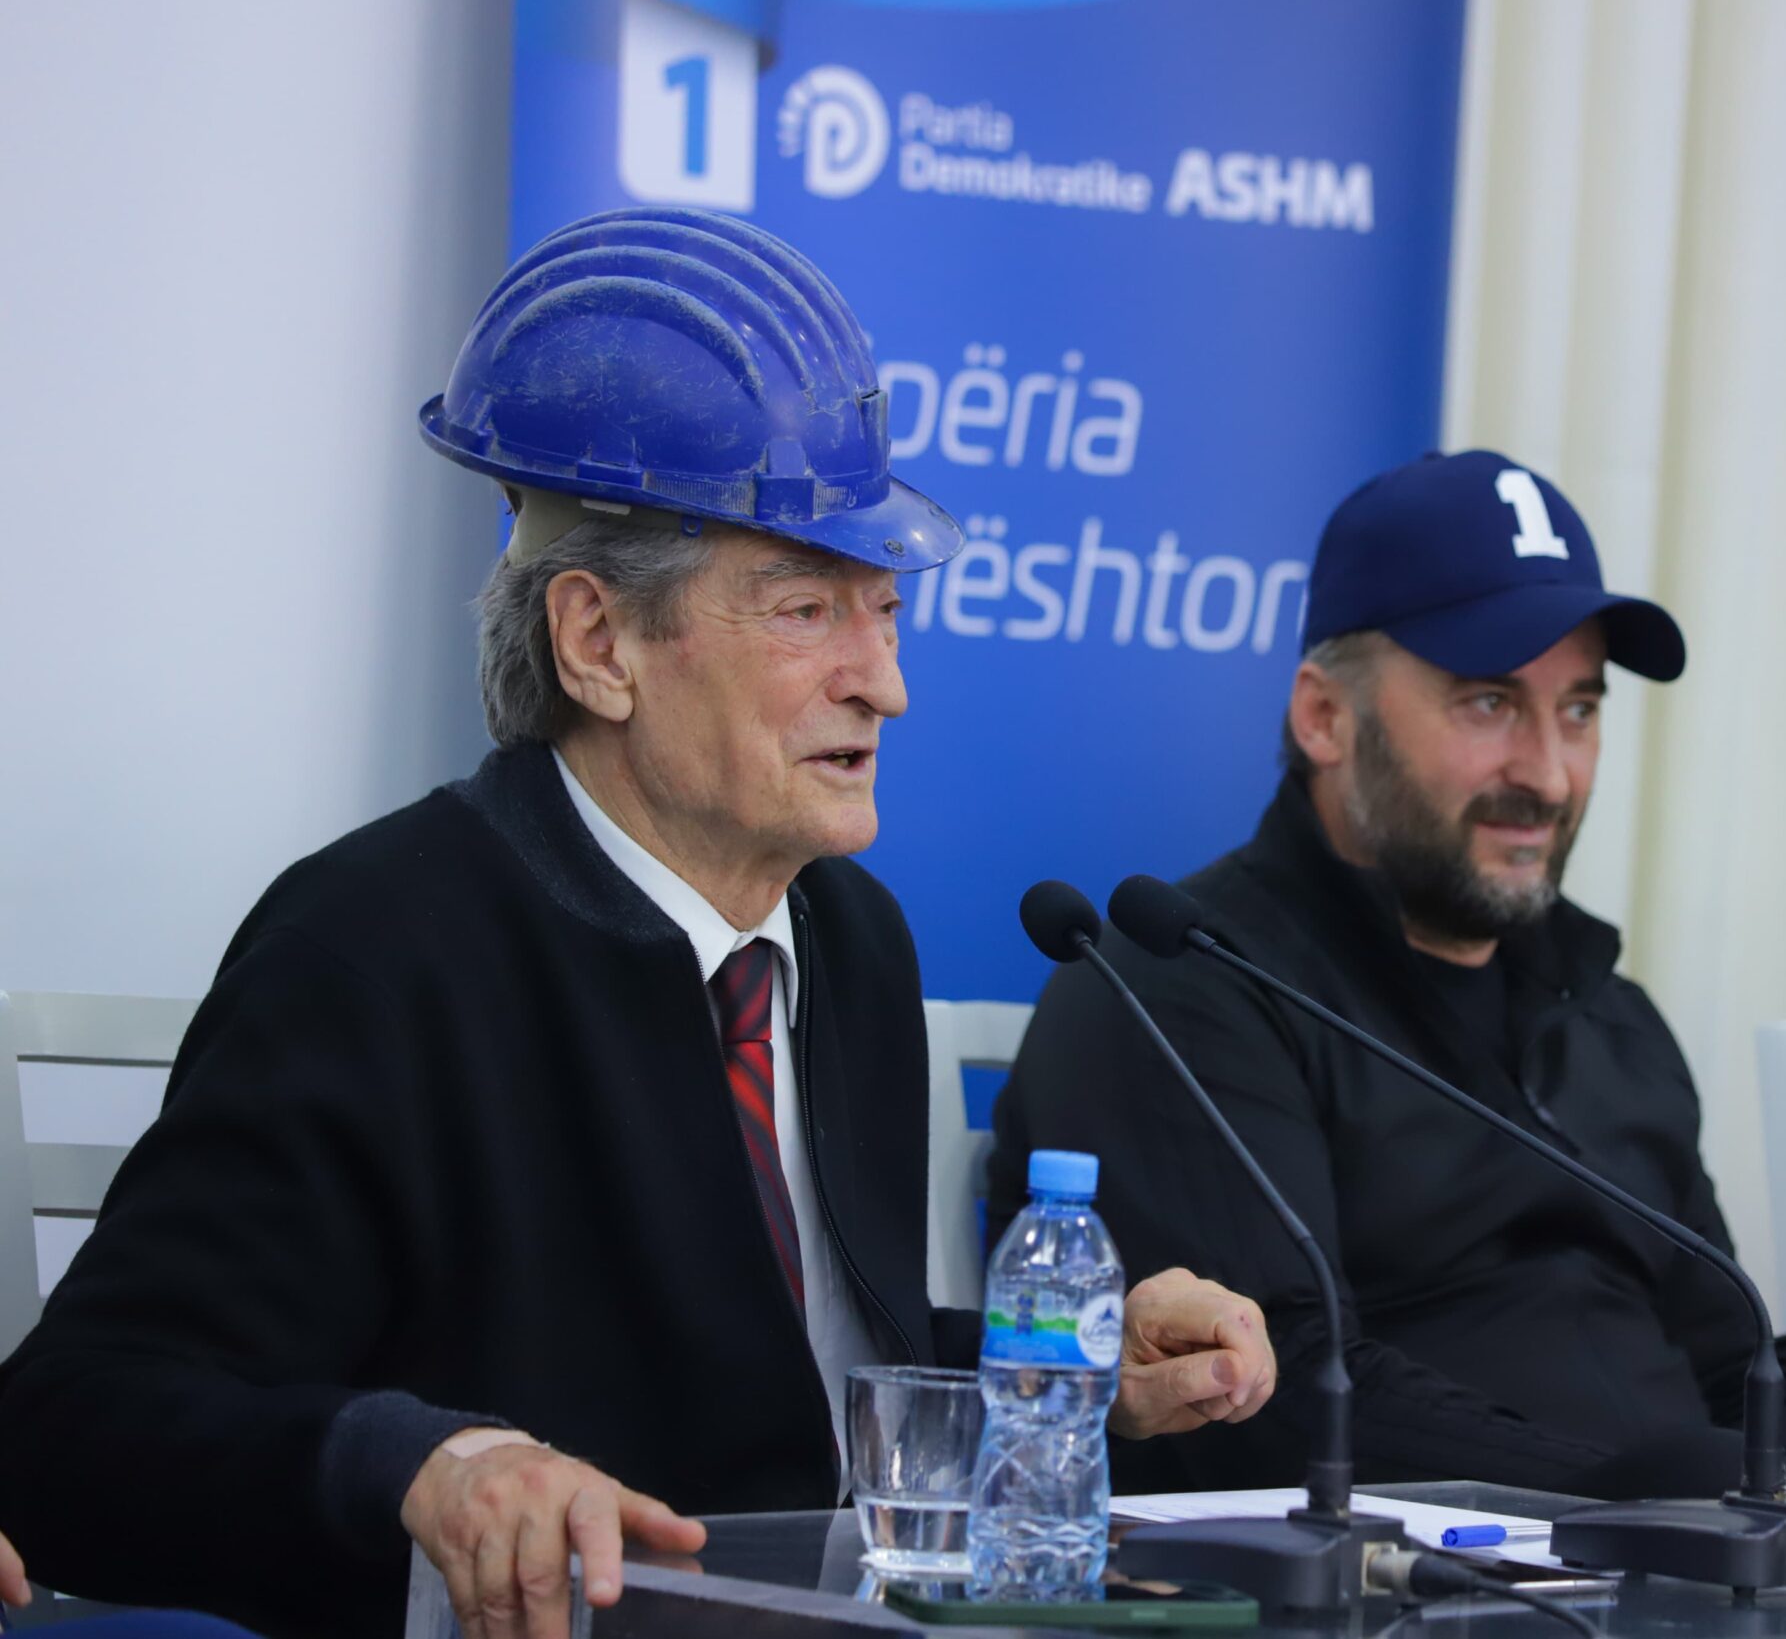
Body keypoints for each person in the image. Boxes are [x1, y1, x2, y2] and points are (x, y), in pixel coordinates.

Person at [0, 210, 1276, 1639]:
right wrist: (424, 1463)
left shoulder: (849, 938)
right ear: (599, 643)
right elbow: (76, 1425)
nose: (885, 684)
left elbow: (793, 1392)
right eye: (807, 610)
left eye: (886, 612)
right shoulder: (371, 947)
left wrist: (1065, 1374)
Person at [989, 450, 1786, 1505]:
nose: (1548, 774)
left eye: (1579, 710)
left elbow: (1747, 1367)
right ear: (1325, 717)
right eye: (1489, 703)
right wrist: (1649, 1514)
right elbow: (1275, 1397)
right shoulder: (1183, 983)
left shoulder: (1610, 1013)